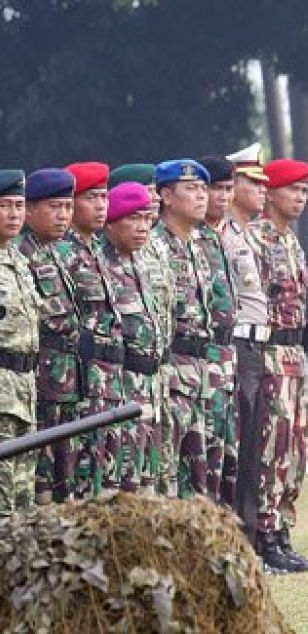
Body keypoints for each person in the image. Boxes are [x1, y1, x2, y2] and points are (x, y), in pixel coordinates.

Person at [249, 158, 308, 573]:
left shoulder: (290, 240)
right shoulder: (258, 240)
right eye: (294, 190)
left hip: (295, 354)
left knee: (295, 447)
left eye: (304, 192)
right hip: (270, 354)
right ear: (270, 193)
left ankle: (282, 530)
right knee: (271, 445)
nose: (301, 199)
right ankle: (264, 534)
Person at [0, 169, 40, 520]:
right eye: (5, 205)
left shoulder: (20, 259)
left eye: (19, 205)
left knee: (22, 498)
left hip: (25, 390)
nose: (15, 214)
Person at [148, 159, 214, 501]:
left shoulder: (198, 246)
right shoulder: (155, 246)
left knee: (200, 474)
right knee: (168, 472)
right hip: (172, 372)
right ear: (166, 197)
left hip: (200, 374)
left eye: (203, 189)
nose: (201, 196)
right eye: (191, 189)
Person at [16, 168, 81, 503]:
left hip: (71, 379)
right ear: (30, 210)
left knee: (70, 472)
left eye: (67, 207)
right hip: (41, 379)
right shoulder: (21, 254)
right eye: (54, 207)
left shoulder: (67, 253)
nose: (63, 215)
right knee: (40, 473)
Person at [63, 161, 126, 496]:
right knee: (79, 473)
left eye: (104, 198)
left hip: (108, 379)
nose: (102, 206)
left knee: (105, 470)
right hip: (80, 379)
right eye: (92, 198)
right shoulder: (64, 253)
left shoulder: (100, 252)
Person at [222, 144, 271, 548]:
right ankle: (240, 537)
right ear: (233, 185)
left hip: (258, 348)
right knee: (237, 449)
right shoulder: (222, 234)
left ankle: (253, 538)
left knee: (254, 449)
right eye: (253, 183)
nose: (262, 191)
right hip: (237, 347)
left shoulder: (248, 236)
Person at [101, 183, 164, 495]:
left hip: (149, 389)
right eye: (132, 218)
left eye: (146, 217)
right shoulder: (100, 265)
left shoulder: (140, 264)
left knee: (146, 482)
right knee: (118, 486)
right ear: (111, 223)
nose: (143, 226)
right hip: (119, 390)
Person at [197, 156, 239, 505]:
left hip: (227, 358)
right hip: (201, 358)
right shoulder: (192, 239)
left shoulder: (224, 236)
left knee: (227, 455)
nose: (223, 197)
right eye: (215, 189)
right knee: (203, 456)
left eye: (229, 189)